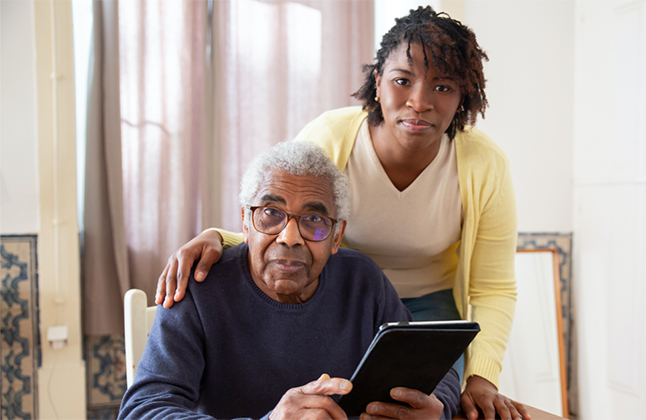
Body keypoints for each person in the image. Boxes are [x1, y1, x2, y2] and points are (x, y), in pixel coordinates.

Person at [155, 7, 527, 420]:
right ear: (378, 83)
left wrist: (482, 378)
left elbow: (493, 288)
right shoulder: (332, 138)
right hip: (341, 292)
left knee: (427, 404)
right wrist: (219, 237)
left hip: (427, 303)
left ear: (463, 97)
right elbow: (288, 206)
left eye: (443, 87)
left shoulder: (484, 164)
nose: (419, 102)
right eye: (403, 81)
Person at [119, 141, 460, 420]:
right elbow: (142, 411)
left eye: (313, 219)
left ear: (337, 236)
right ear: (245, 222)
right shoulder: (199, 284)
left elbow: (436, 370)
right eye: (271, 213)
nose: (290, 237)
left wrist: (436, 411)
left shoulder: (362, 280)